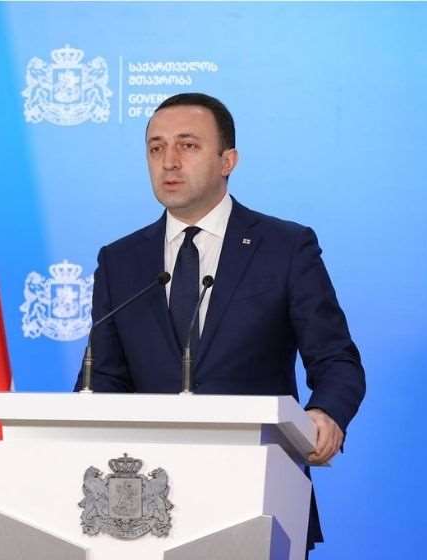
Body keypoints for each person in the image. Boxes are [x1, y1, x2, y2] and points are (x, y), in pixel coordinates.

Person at [73, 92, 365, 555]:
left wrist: (325, 414)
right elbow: (103, 378)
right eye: (156, 148)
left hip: (259, 495)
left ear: (228, 160)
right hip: (144, 509)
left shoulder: (284, 247)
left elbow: (336, 360)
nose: (169, 161)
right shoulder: (120, 261)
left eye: (187, 146)